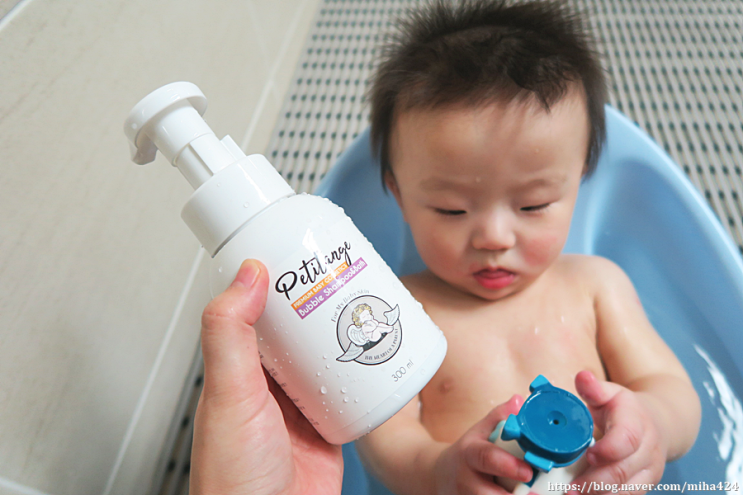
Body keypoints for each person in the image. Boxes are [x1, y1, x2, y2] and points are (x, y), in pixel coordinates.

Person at [355, 1, 702, 494]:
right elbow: (386, 444)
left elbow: (672, 391)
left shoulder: (595, 286)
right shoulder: (396, 312)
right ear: (398, 195)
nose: (494, 238)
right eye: (452, 210)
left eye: (534, 205)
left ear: (578, 180)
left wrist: (652, 426)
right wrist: (439, 470)